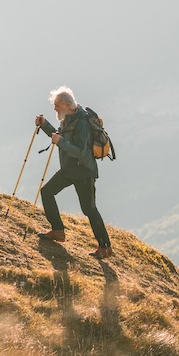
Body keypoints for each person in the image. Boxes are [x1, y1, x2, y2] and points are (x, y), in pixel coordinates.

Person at [34, 86, 113, 259]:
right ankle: (57, 231)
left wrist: (60, 142)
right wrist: (45, 125)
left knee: (89, 209)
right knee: (47, 192)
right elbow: (59, 136)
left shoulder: (82, 122)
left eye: (56, 105)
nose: (54, 108)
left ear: (65, 104)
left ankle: (105, 248)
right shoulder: (68, 118)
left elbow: (81, 151)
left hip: (84, 170)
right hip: (70, 169)